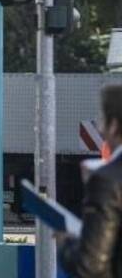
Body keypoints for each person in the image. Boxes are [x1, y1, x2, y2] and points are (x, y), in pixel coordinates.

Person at [58, 83, 122, 278]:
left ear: (113, 125)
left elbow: (90, 265)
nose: (100, 129)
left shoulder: (108, 181)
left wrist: (66, 244)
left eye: (102, 121)